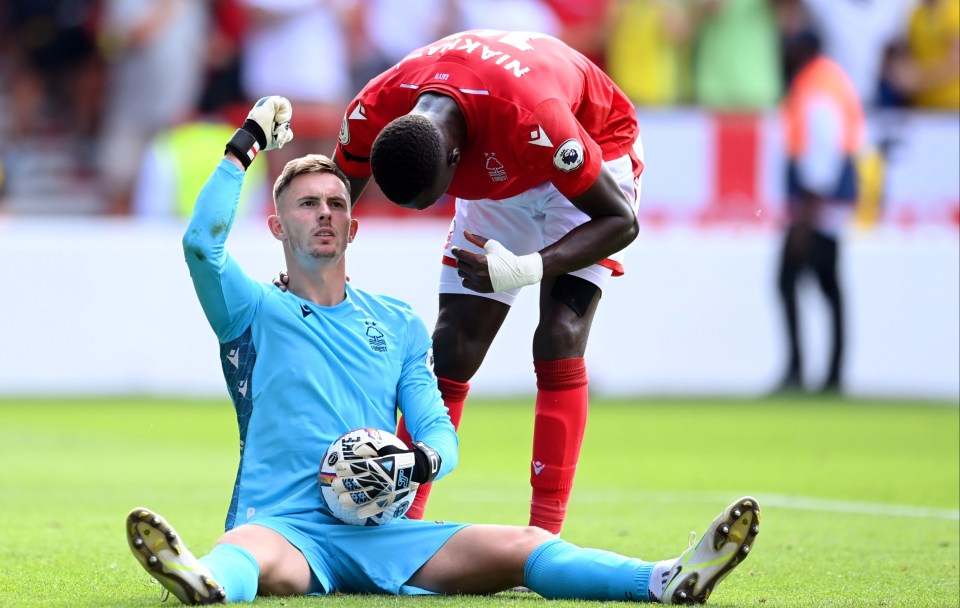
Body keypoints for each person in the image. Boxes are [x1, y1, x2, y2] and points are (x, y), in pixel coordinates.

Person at [126, 96, 761, 606]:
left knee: (524, 545)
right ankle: (206, 581)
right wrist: (245, 148)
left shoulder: (398, 322)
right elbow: (200, 246)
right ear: (277, 226)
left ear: (353, 226)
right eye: (306, 205)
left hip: (384, 531)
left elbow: (438, 429)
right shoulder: (251, 309)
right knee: (250, 554)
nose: (323, 214)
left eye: (336, 204)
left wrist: (419, 462)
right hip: (285, 525)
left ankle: (665, 578)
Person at [330, 29, 645, 533]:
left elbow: (620, 222)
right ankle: (401, 523)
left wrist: (528, 267)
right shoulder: (374, 107)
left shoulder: (537, 120)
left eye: (434, 198)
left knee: (559, 335)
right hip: (499, 171)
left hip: (591, 156)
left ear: (455, 161)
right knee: (453, 344)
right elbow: (331, 199)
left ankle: (544, 535)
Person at [774, 27, 864, 394]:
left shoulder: (816, 85)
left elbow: (822, 154)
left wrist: (804, 219)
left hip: (818, 207)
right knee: (828, 287)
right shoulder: (829, 79)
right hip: (828, 205)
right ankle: (832, 375)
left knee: (790, 280)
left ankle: (802, 371)